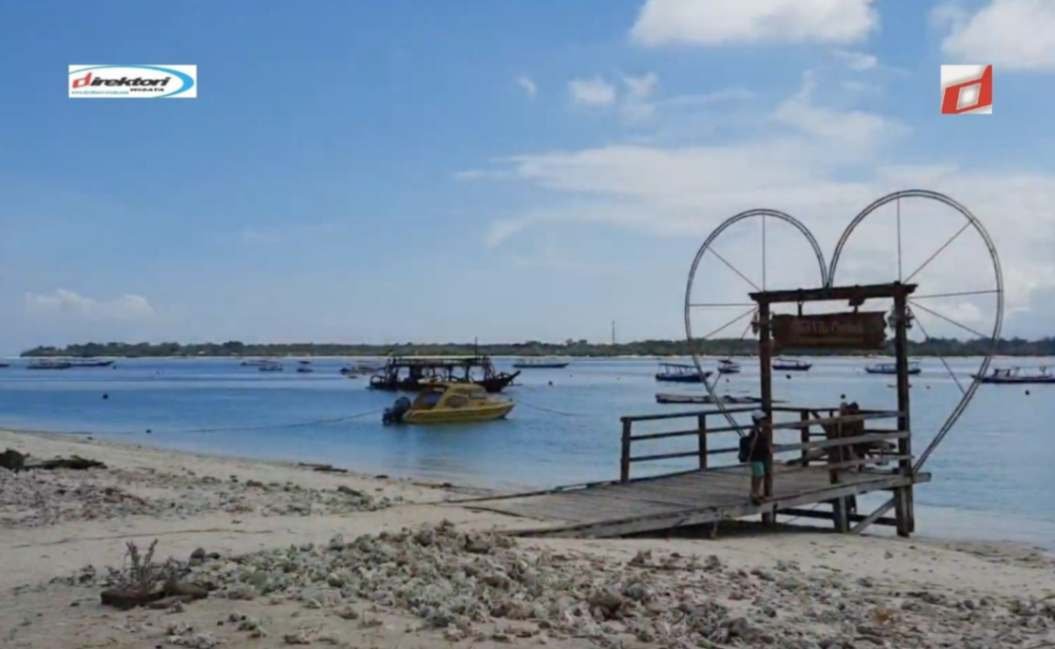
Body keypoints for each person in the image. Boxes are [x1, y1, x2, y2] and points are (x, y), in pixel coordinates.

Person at [743, 410, 770, 504]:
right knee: (758, 475)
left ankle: (756, 493)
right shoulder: (755, 431)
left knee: (759, 474)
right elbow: (752, 444)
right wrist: (749, 456)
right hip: (756, 456)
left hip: (760, 456)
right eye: (763, 420)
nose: (764, 422)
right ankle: (754, 493)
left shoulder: (758, 430)